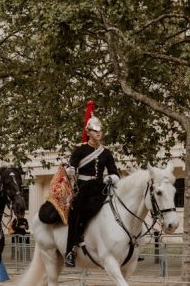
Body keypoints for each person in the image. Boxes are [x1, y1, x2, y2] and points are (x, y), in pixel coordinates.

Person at [64, 101, 120, 267]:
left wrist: (112, 178)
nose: (99, 133)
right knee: (76, 213)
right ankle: (70, 250)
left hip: (100, 188)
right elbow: (72, 165)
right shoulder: (80, 149)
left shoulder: (106, 152)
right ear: (88, 132)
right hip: (83, 189)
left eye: (100, 130)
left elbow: (114, 171)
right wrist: (71, 170)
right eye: (95, 131)